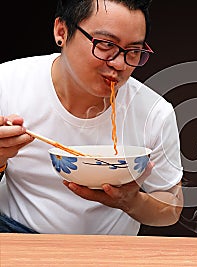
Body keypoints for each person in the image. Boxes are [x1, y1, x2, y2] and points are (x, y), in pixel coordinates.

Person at [0, 0, 183, 235]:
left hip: (111, 249)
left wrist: (131, 201)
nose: (118, 64)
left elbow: (172, 208)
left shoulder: (154, 113)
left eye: (134, 51)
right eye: (106, 44)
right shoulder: (7, 84)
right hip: (18, 234)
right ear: (62, 32)